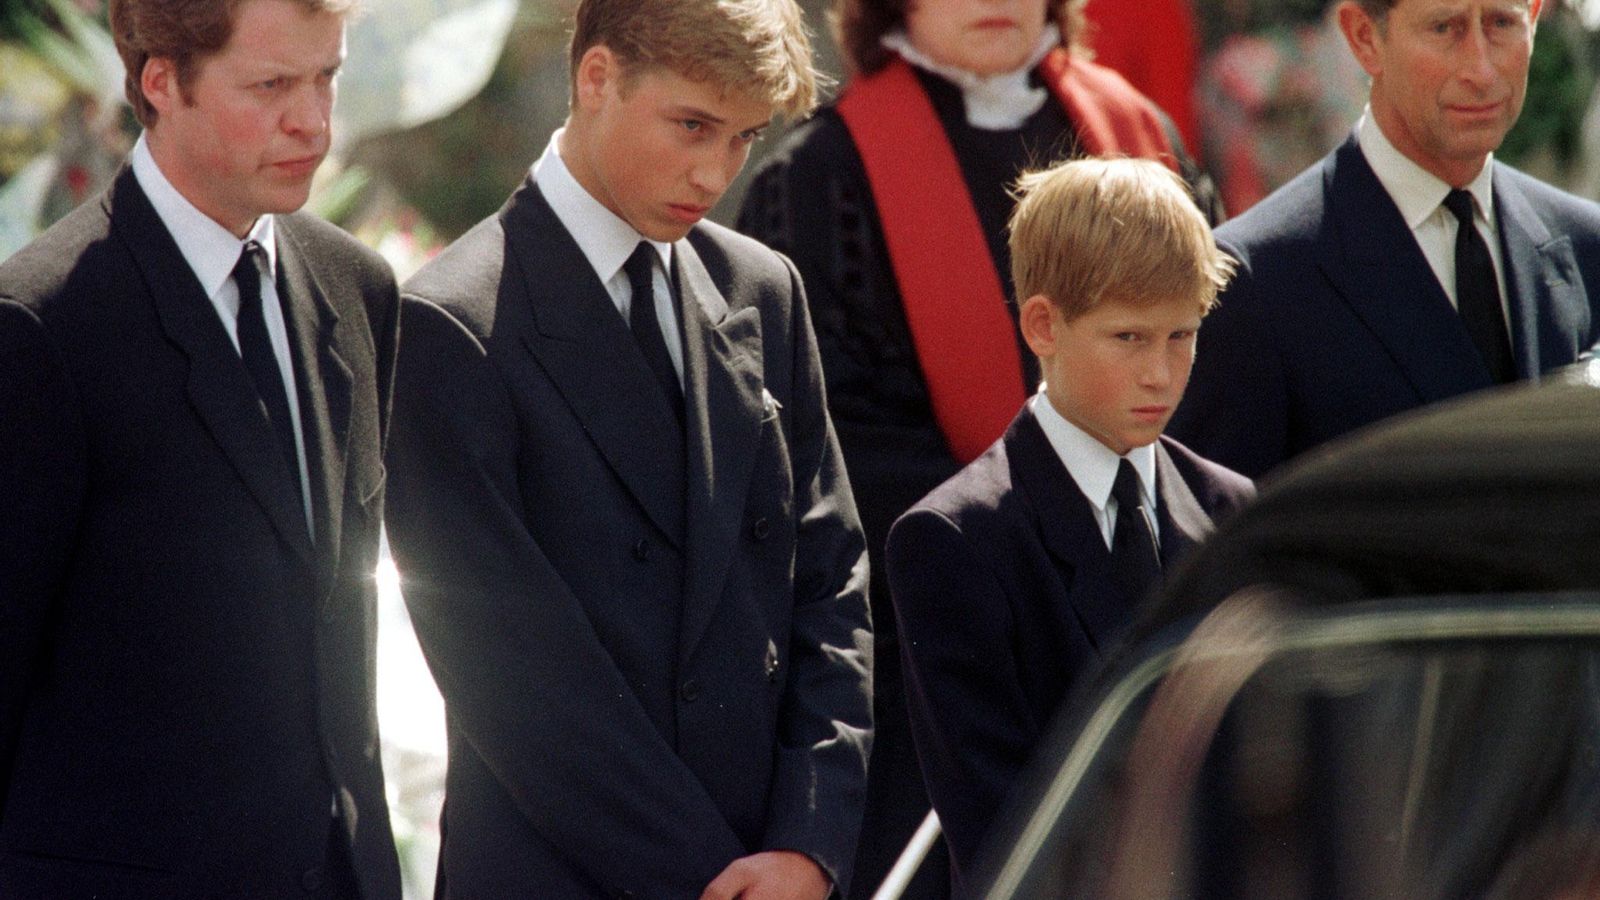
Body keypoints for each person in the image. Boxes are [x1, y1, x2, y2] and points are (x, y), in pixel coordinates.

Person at [383, 1, 873, 897]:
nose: (716, 171)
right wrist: (711, 877)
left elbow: (832, 578)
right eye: (692, 126)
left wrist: (811, 839)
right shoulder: (453, 321)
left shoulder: (762, 287)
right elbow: (515, 675)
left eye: (743, 137)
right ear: (597, 78)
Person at [737, 4, 1219, 891]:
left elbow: (1204, 358)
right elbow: (831, 435)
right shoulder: (823, 172)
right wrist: (1029, 528)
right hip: (940, 660)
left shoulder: (1135, 131)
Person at [0, 0, 402, 896]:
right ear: (160, 82)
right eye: (271, 85)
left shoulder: (359, 288)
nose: (314, 119)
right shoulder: (39, 328)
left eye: (327, 76)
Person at [885, 158, 1255, 890]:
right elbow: (1002, 832)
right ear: (1043, 324)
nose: (1161, 372)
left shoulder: (1230, 510)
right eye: (1128, 338)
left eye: (1182, 336)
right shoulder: (956, 539)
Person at [1168, 0, 1600, 479]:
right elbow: (1218, 538)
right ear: (1364, 37)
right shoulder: (1256, 279)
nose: (1480, 69)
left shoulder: (1586, 245)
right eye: (1444, 28)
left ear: (1535, 18)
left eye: (1502, 23)